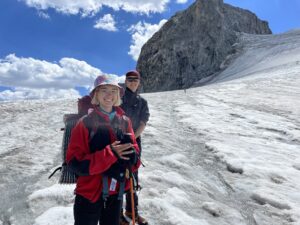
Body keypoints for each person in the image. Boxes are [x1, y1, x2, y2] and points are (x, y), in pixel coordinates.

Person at [66, 75, 140, 225]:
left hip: (116, 194)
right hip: (89, 193)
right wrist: (110, 153)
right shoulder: (85, 123)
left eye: (113, 90)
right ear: (96, 95)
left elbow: (135, 155)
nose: (109, 95)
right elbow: (74, 162)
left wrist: (134, 158)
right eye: (104, 90)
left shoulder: (125, 121)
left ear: (118, 95)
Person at [120, 70, 150, 225]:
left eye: (135, 79)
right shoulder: (118, 98)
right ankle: (117, 214)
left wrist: (132, 137)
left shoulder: (142, 102)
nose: (132, 82)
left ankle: (132, 212)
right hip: (118, 142)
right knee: (118, 176)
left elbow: (144, 121)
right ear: (125, 81)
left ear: (139, 82)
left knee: (132, 176)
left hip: (134, 143)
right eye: (129, 79)